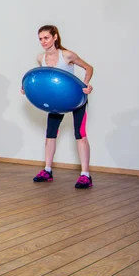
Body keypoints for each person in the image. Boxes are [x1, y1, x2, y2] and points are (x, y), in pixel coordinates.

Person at [23, 25, 94, 189]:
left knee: (80, 134)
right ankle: (47, 171)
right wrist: (26, 88)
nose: (43, 41)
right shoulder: (41, 58)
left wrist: (86, 85)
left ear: (55, 37)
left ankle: (85, 175)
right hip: (56, 102)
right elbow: (43, 82)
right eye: (40, 38)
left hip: (75, 99)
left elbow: (88, 67)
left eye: (46, 37)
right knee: (50, 135)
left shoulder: (67, 55)